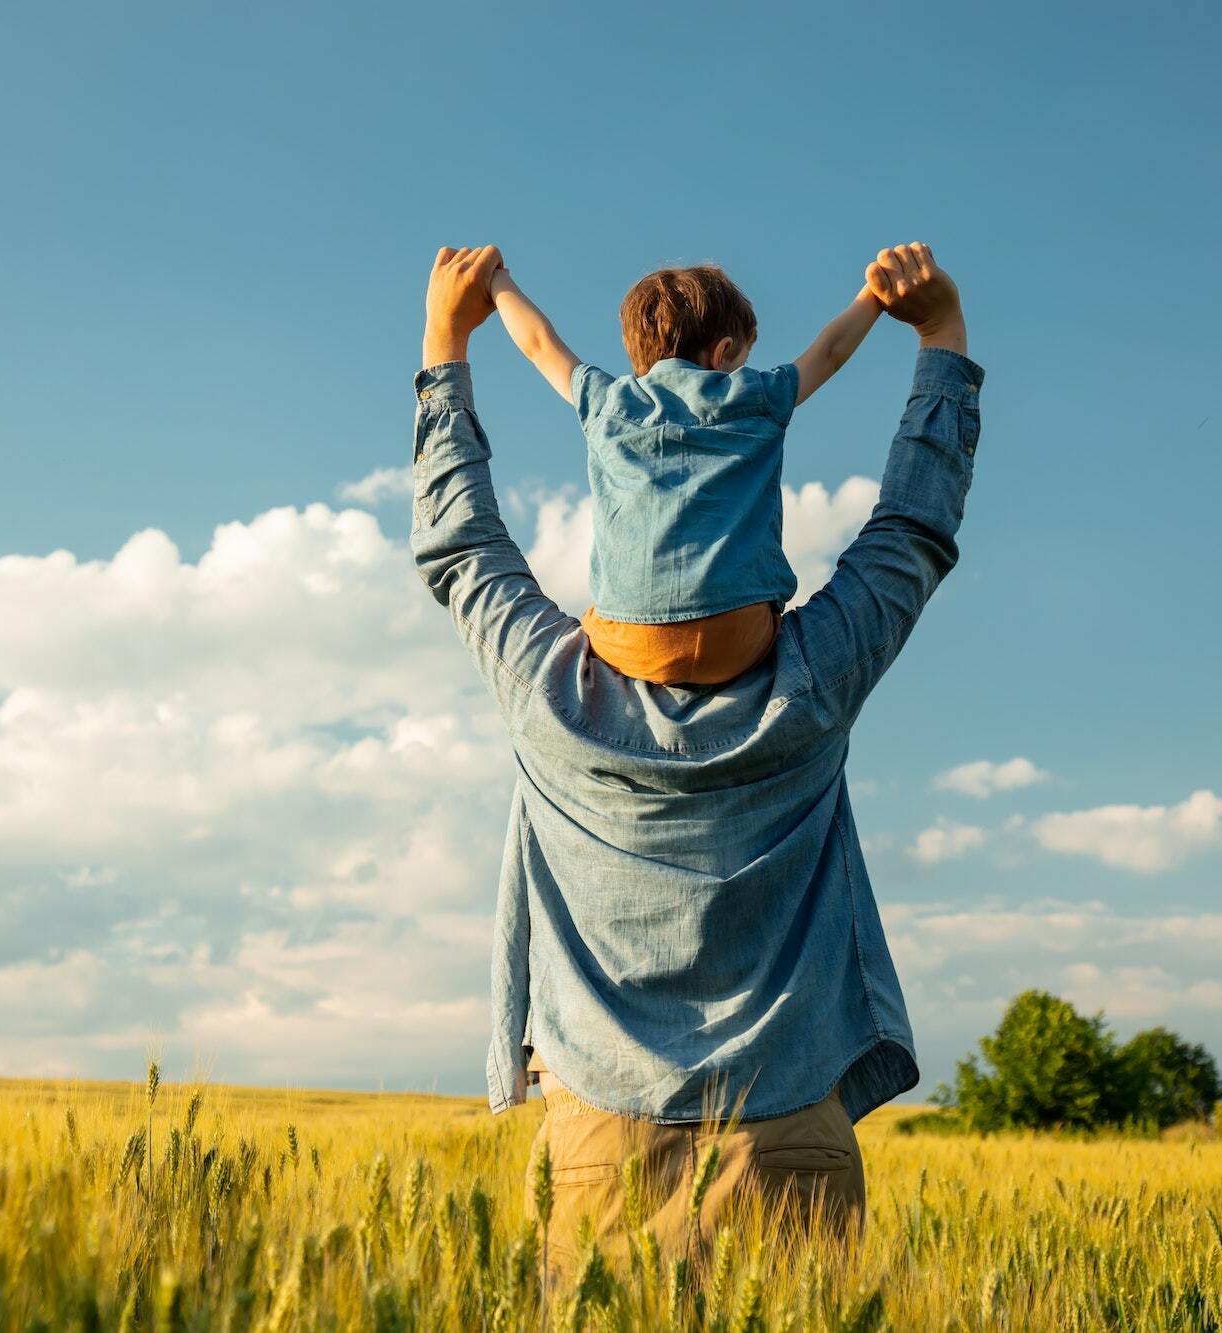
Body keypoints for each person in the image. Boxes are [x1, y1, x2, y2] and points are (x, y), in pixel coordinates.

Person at [410, 242, 982, 1271]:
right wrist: (937, 337)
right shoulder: (811, 683)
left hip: (595, 1157)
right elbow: (910, 529)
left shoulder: (550, 697)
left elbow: (460, 546)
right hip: (790, 1141)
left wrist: (446, 342)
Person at [488, 260, 884, 685]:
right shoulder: (757, 395)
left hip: (632, 644)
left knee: (588, 620)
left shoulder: (606, 402)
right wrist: (874, 296)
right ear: (723, 351)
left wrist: (496, 281)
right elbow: (830, 351)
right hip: (739, 639)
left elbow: (538, 343)